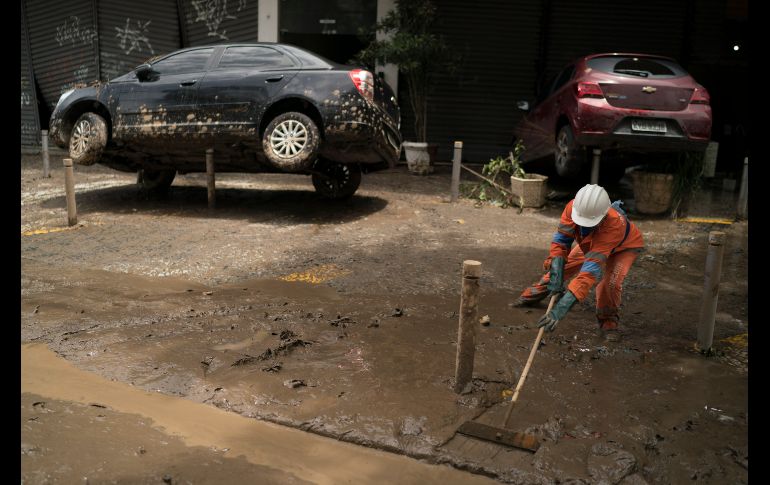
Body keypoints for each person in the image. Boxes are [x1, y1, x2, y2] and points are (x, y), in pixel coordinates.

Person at [512, 184, 644, 341]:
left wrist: (561, 308)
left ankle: (608, 322)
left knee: (610, 284)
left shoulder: (613, 224)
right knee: (561, 269)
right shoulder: (573, 207)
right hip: (592, 241)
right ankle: (530, 297)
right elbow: (561, 241)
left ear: (603, 216)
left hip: (623, 247)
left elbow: (589, 272)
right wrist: (556, 272)